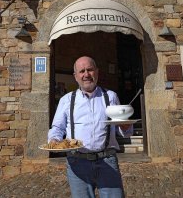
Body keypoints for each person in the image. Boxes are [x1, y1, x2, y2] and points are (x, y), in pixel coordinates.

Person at [48, 56, 133, 198]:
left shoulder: (111, 97)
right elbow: (57, 128)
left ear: (97, 72)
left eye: (90, 70)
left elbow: (123, 130)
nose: (86, 74)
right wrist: (55, 140)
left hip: (107, 160)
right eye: (82, 71)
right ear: (75, 76)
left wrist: (125, 125)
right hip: (77, 162)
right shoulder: (66, 100)